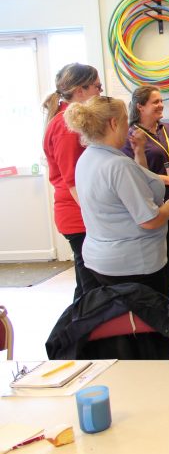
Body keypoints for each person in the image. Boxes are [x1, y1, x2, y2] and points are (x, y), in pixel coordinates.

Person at [64, 96, 169, 293]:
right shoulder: (118, 165)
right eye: (124, 121)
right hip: (134, 264)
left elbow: (139, 182)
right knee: (148, 320)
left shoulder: (87, 158)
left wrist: (139, 152)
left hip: (101, 260)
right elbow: (149, 220)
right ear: (114, 124)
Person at [123, 85, 169, 319]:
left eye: (161, 101)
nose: (161, 105)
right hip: (152, 206)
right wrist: (166, 180)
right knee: (156, 257)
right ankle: (155, 303)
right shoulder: (132, 135)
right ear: (140, 106)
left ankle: (168, 300)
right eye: (155, 102)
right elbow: (134, 170)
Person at [41, 63, 103, 300]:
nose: (99, 92)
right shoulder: (67, 125)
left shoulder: (71, 121)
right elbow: (72, 179)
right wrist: (96, 214)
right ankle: (82, 333)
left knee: (86, 284)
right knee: (90, 288)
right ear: (80, 90)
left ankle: (79, 332)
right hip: (79, 215)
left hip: (81, 213)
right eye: (97, 86)